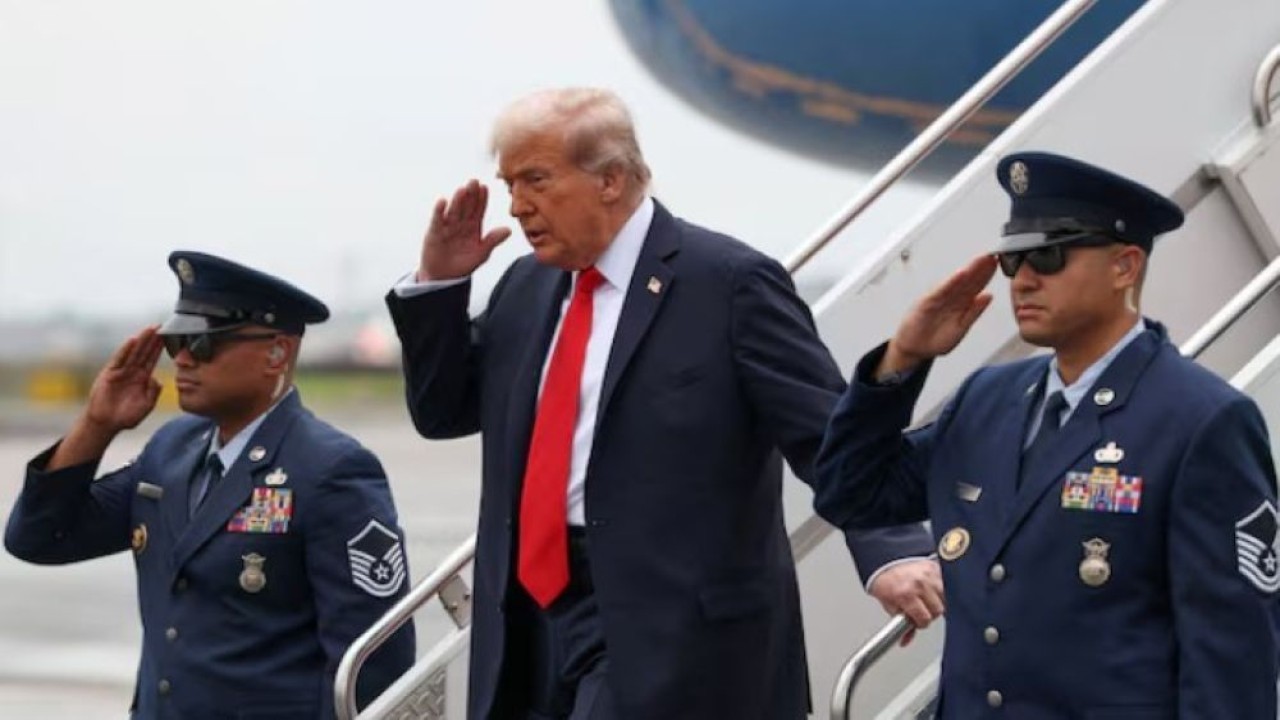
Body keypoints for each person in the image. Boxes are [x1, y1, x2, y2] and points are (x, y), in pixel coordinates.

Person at [385, 87, 942, 720]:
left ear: (611, 180)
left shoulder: (729, 283)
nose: (517, 207)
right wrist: (440, 284)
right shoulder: (526, 286)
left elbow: (826, 434)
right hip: (529, 616)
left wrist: (892, 550)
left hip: (670, 623)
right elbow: (443, 412)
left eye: (536, 180)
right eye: (510, 185)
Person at [813, 151, 1280, 717]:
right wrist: (901, 361)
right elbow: (850, 493)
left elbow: (1232, 657)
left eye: (1049, 256)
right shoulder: (987, 401)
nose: (1025, 280)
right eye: (1014, 261)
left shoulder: (1201, 420)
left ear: (1125, 267)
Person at [5, 251, 415, 719]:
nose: (181, 359)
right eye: (175, 341)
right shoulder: (170, 452)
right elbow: (38, 538)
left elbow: (372, 662)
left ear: (276, 351)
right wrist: (97, 425)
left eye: (202, 344)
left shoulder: (330, 470)